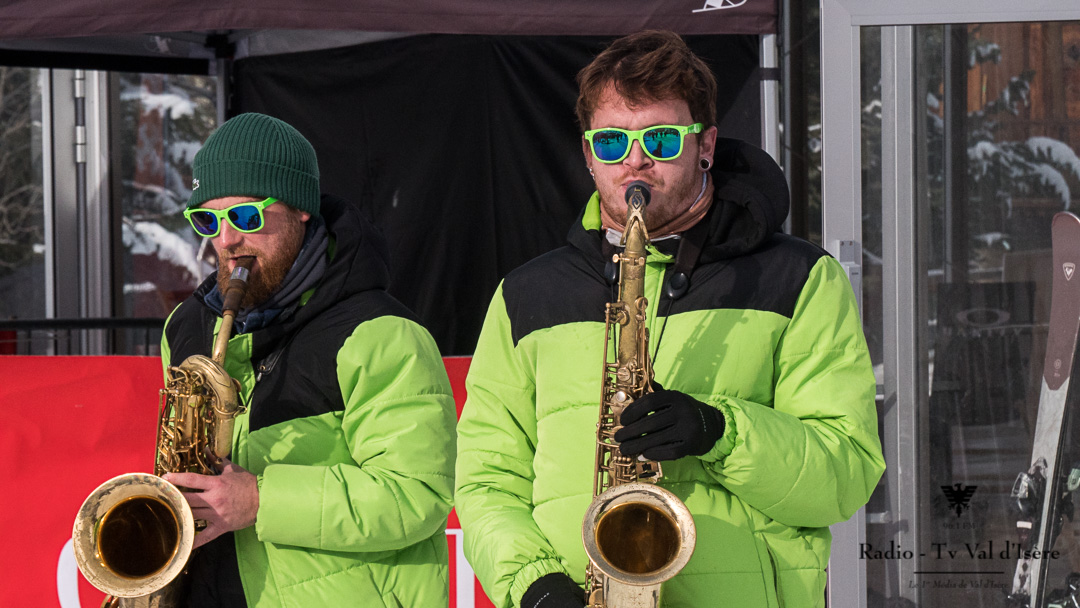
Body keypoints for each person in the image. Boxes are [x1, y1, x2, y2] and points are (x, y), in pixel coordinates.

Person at [454, 31, 885, 607]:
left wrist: (720, 431)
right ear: (588, 155)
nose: (635, 160)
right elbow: (486, 480)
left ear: (705, 144)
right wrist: (532, 585)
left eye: (660, 138)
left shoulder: (799, 277)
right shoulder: (525, 294)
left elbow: (845, 474)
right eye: (611, 142)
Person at [162, 112, 456, 608]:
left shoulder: (380, 333)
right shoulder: (185, 327)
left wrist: (259, 500)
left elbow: (416, 495)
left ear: (300, 209)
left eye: (247, 217)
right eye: (208, 221)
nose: (227, 241)